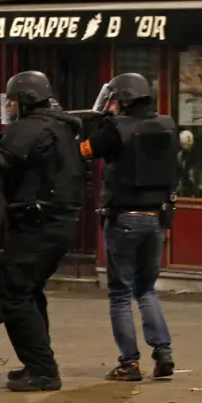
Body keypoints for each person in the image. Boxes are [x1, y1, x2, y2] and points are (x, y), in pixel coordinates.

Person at [0, 71, 84, 392]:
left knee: (14, 293)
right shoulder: (58, 126)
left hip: (37, 226)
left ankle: (43, 371)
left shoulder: (29, 128)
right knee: (30, 291)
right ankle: (37, 362)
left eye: (10, 100)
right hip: (56, 225)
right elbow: (24, 150)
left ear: (22, 99)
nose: (8, 105)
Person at [79, 72, 178, 382]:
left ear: (121, 100)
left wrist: (99, 122)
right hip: (156, 219)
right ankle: (163, 352)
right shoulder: (167, 125)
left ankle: (129, 364)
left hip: (123, 219)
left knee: (120, 294)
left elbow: (84, 150)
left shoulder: (115, 129)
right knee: (146, 289)